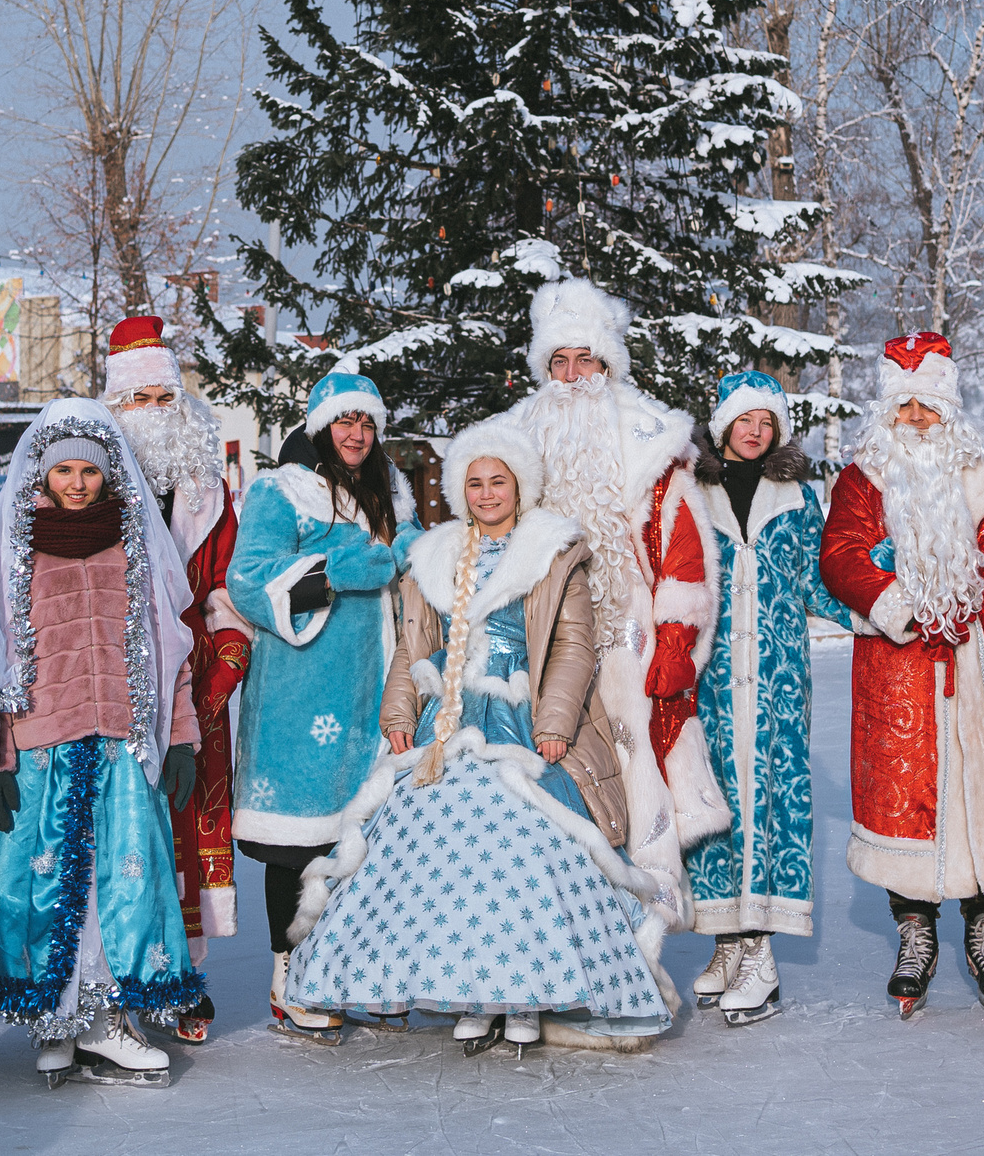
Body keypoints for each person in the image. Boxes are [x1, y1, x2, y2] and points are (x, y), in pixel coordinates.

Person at [284, 422, 672, 1055]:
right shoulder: (434, 555)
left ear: (519, 486)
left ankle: (522, 998)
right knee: (435, 847)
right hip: (449, 721)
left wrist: (553, 724)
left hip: (523, 717)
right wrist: (400, 712)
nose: (488, 493)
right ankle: (470, 992)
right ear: (461, 490)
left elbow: (573, 647)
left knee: (526, 842)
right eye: (476, 483)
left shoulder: (552, 552)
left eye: (499, 481)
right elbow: (414, 645)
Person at [820, 333, 984, 1019]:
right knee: (907, 801)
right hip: (897, 668)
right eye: (904, 406)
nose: (917, 418)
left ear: (950, 404)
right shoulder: (866, 473)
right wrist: (894, 604)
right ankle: (915, 931)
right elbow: (840, 554)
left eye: (928, 404)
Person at [0, 400, 204, 1087]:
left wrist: (182, 735)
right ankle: (56, 1021)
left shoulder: (132, 541)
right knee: (40, 883)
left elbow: (172, 648)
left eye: (90, 472)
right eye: (64, 470)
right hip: (42, 740)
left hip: (122, 743)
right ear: (42, 473)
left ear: (110, 475)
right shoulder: (16, 545)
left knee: (117, 885)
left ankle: (105, 1022)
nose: (77, 483)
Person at [503, 278, 728, 928]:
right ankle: (564, 936)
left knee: (637, 778)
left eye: (586, 359)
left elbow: (682, 548)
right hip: (542, 642)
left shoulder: (651, 437)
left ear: (608, 364)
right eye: (559, 361)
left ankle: (645, 936)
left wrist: (679, 643)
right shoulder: (519, 437)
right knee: (559, 783)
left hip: (631, 640)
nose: (573, 376)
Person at [217, 370, 422, 1044]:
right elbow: (247, 581)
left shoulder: (392, 491)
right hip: (300, 695)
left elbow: (417, 556)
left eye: (366, 422)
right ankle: (290, 974)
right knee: (297, 843)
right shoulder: (281, 490)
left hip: (375, 688)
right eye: (344, 422)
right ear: (320, 426)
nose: (356, 434)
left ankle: (358, 968)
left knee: (363, 839)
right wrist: (334, 570)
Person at [684, 370, 846, 1027]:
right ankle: (727, 939)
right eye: (744, 420)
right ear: (723, 426)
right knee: (716, 804)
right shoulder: (694, 495)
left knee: (772, 805)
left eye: (766, 422)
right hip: (714, 676)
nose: (755, 431)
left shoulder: (797, 496)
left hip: (778, 679)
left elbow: (818, 579)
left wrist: (879, 606)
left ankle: (761, 956)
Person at [103, 315, 245, 1044]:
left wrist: (227, 650)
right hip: (113, 676)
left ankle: (185, 975)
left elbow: (224, 580)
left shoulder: (207, 486)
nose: (153, 413)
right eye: (138, 399)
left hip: (189, 678)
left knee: (188, 823)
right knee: (120, 829)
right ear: (114, 406)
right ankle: (123, 974)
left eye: (165, 397)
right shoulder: (92, 477)